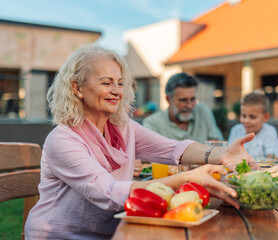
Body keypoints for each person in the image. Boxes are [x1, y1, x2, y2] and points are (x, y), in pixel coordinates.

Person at [24, 45, 256, 239]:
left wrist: (223, 153)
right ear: (77, 88)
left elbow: (173, 148)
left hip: (112, 233)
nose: (117, 91)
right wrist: (186, 178)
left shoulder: (124, 128)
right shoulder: (63, 140)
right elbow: (109, 193)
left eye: (120, 83)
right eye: (106, 83)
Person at [142, 72, 223, 143]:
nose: (189, 105)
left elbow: (217, 144)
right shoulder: (152, 124)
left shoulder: (202, 111)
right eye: (183, 100)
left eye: (193, 99)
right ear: (168, 99)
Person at [228, 90, 278, 161]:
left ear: (265, 117)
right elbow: (229, 154)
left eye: (252, 117)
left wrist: (271, 158)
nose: (246, 121)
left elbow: (273, 158)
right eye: (243, 116)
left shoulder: (269, 131)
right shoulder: (236, 130)